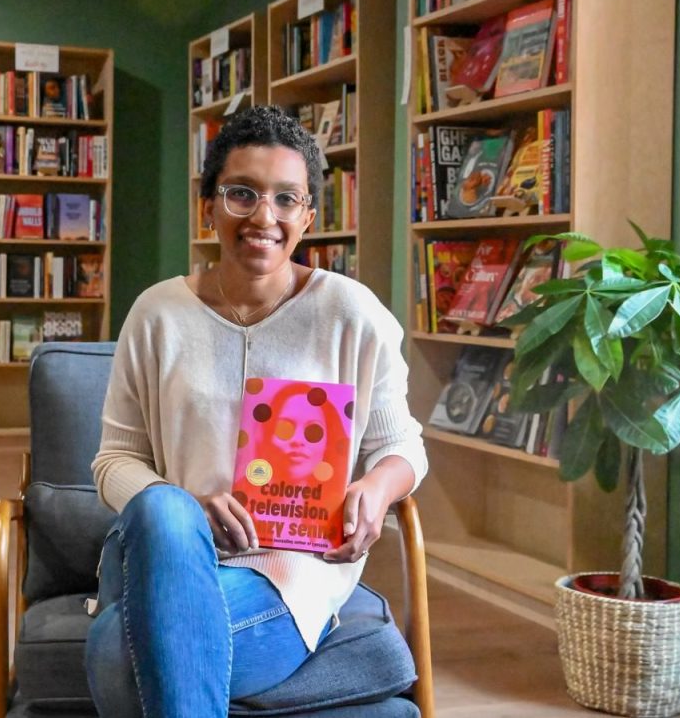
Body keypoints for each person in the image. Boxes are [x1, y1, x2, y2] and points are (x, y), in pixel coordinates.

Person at [87, 105, 428, 717]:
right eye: (241, 194)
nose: (263, 217)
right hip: (165, 550)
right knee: (165, 508)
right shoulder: (157, 314)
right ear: (209, 207)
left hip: (288, 573)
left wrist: (377, 490)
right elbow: (114, 461)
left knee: (118, 652)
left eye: (286, 199)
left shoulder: (352, 314)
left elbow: (402, 447)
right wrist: (189, 504)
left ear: (309, 216)